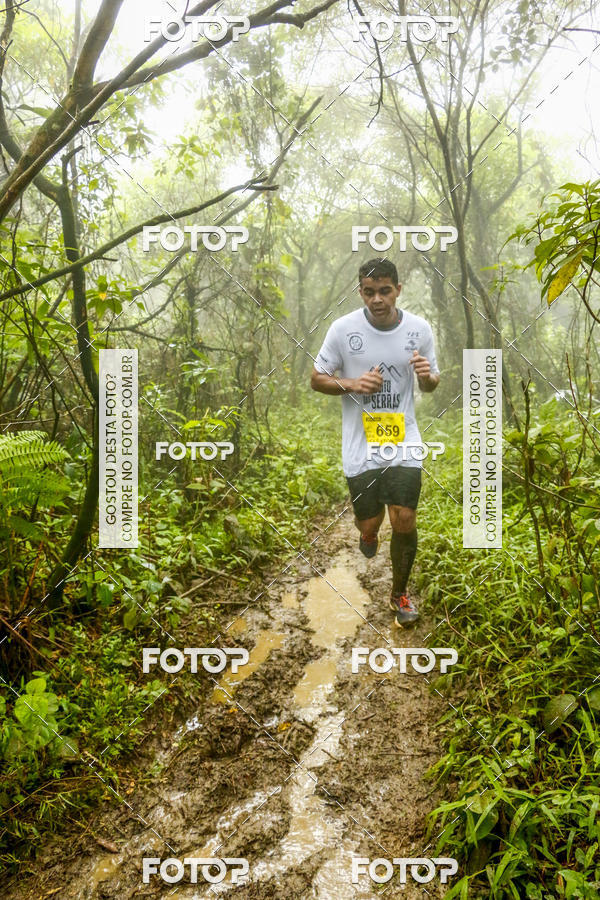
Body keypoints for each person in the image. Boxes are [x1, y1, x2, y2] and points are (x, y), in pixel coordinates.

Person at [310, 257, 440, 627]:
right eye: (369, 292)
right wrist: (352, 384)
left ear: (398, 290)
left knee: (404, 517)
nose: (377, 299)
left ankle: (399, 595)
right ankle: (368, 535)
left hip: (403, 439)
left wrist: (427, 377)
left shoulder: (419, 329)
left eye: (385, 291)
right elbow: (316, 378)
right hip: (360, 444)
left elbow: (431, 383)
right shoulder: (342, 330)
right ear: (361, 292)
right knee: (371, 523)